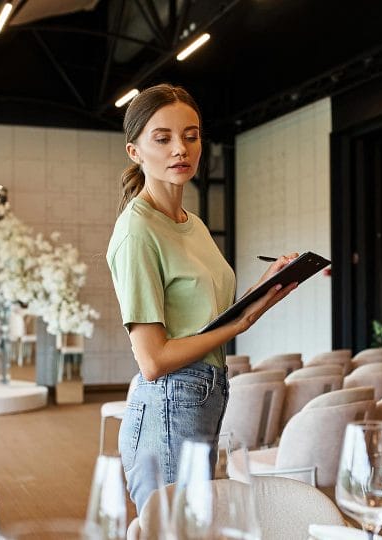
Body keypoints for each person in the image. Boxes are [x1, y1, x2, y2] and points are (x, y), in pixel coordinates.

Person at [106, 83, 297, 511]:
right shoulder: (137, 231)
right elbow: (153, 361)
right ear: (135, 151)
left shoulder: (193, 223)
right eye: (163, 138)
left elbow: (208, 318)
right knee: (181, 527)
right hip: (169, 399)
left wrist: (262, 291)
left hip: (205, 394)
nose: (181, 148)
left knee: (196, 524)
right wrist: (239, 324)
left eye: (191, 136)